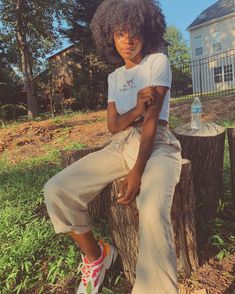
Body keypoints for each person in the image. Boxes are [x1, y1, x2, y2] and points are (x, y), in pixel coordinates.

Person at [44, 0, 182, 293]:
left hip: (156, 144)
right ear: (111, 37)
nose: (128, 40)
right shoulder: (114, 77)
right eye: (120, 33)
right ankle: (98, 257)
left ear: (146, 33)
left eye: (134, 32)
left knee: (153, 208)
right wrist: (135, 109)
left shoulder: (157, 62)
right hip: (119, 146)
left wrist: (136, 171)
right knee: (57, 190)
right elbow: (114, 125)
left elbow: (151, 121)